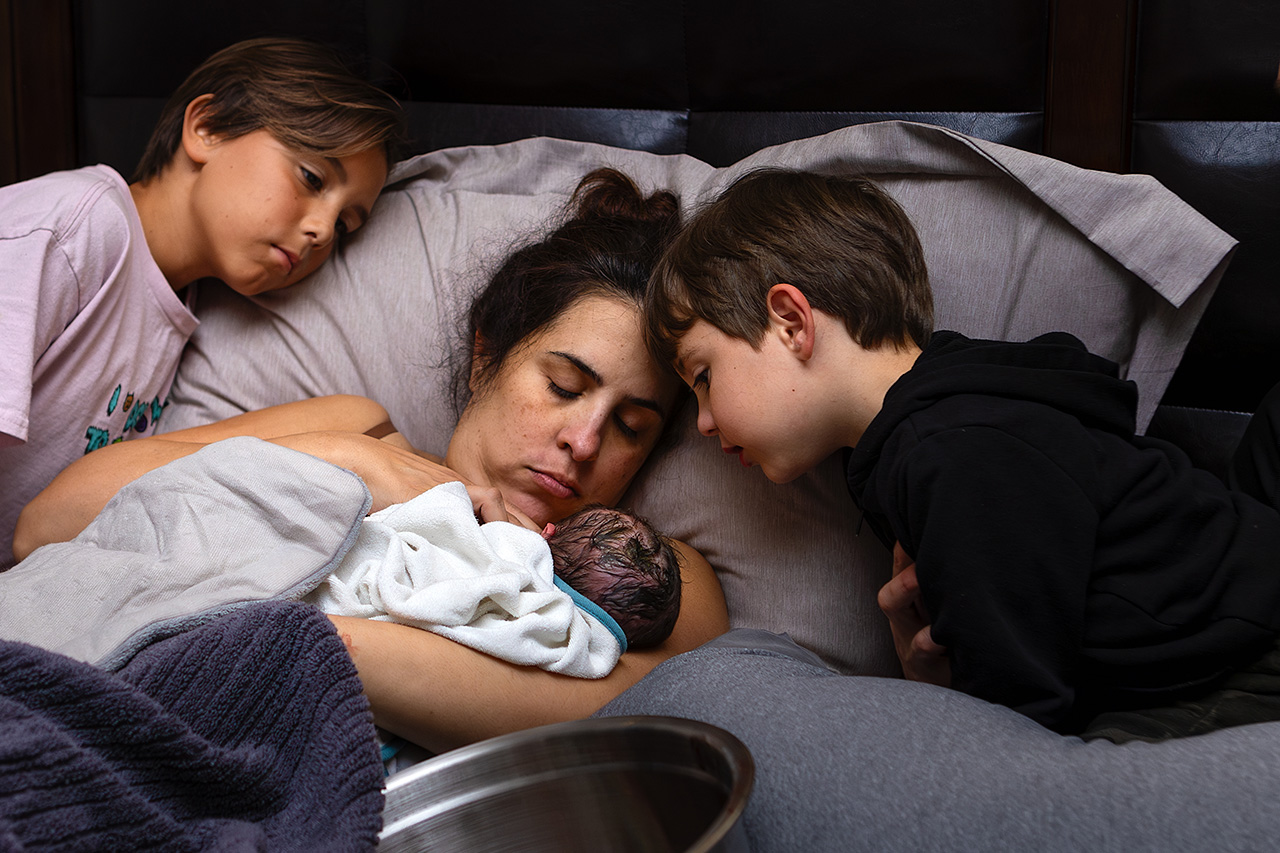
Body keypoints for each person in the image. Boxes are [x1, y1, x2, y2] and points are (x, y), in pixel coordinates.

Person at [15, 167, 729, 753]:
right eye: (563, 387)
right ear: (485, 357)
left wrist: (290, 638)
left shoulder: (653, 576)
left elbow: (617, 712)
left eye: (632, 427)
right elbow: (48, 523)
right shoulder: (354, 427)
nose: (585, 439)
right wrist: (352, 461)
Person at [643, 166, 1280, 742]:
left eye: (702, 376)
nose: (701, 423)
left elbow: (1017, 715)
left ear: (790, 322)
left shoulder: (953, 452)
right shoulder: (934, 424)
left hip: (1236, 671)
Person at [0, 37, 404, 567]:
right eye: (311, 177)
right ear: (207, 127)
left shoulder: (178, 305)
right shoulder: (73, 226)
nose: (322, 231)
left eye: (345, 224)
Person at [306, 480, 682, 678]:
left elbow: (432, 524)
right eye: (561, 387)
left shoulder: (514, 550)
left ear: (546, 533)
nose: (581, 444)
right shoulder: (569, 639)